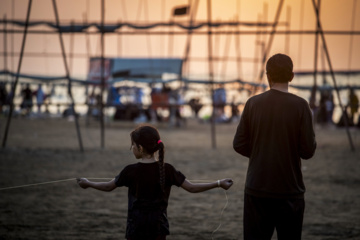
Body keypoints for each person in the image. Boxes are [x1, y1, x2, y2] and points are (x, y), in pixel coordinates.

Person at [77, 124, 233, 240]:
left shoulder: (130, 170)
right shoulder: (167, 169)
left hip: (136, 227)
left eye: (133, 145)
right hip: (159, 227)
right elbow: (191, 188)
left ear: (140, 148)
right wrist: (218, 183)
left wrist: (88, 183)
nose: (132, 148)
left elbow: (108, 186)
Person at [233, 53, 316, 240]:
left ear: (267, 75)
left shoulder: (253, 103)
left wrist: (260, 153)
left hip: (257, 187)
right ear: (291, 76)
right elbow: (308, 151)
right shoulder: (301, 106)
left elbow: (238, 144)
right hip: (290, 190)